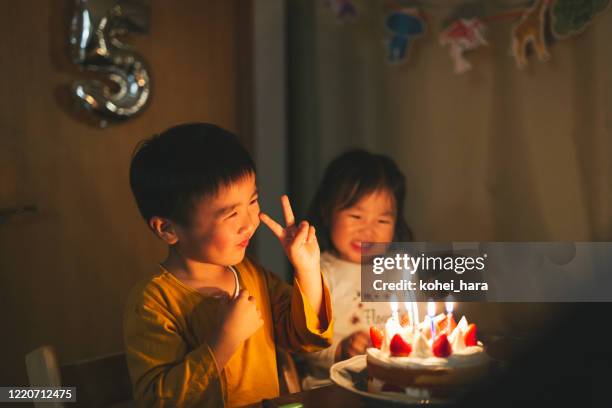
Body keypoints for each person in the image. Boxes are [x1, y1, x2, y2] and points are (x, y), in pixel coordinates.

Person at [123, 123, 333, 407]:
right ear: (167, 229)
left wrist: (307, 268)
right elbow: (156, 400)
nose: (249, 222)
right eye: (231, 214)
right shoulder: (153, 302)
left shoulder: (251, 274)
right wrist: (223, 342)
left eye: (253, 201)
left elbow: (306, 340)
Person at [302, 149, 413, 389]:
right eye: (355, 216)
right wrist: (341, 349)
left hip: (394, 388)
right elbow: (304, 343)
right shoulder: (318, 273)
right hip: (332, 390)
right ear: (326, 212)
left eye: (382, 220)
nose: (368, 231)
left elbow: (419, 326)